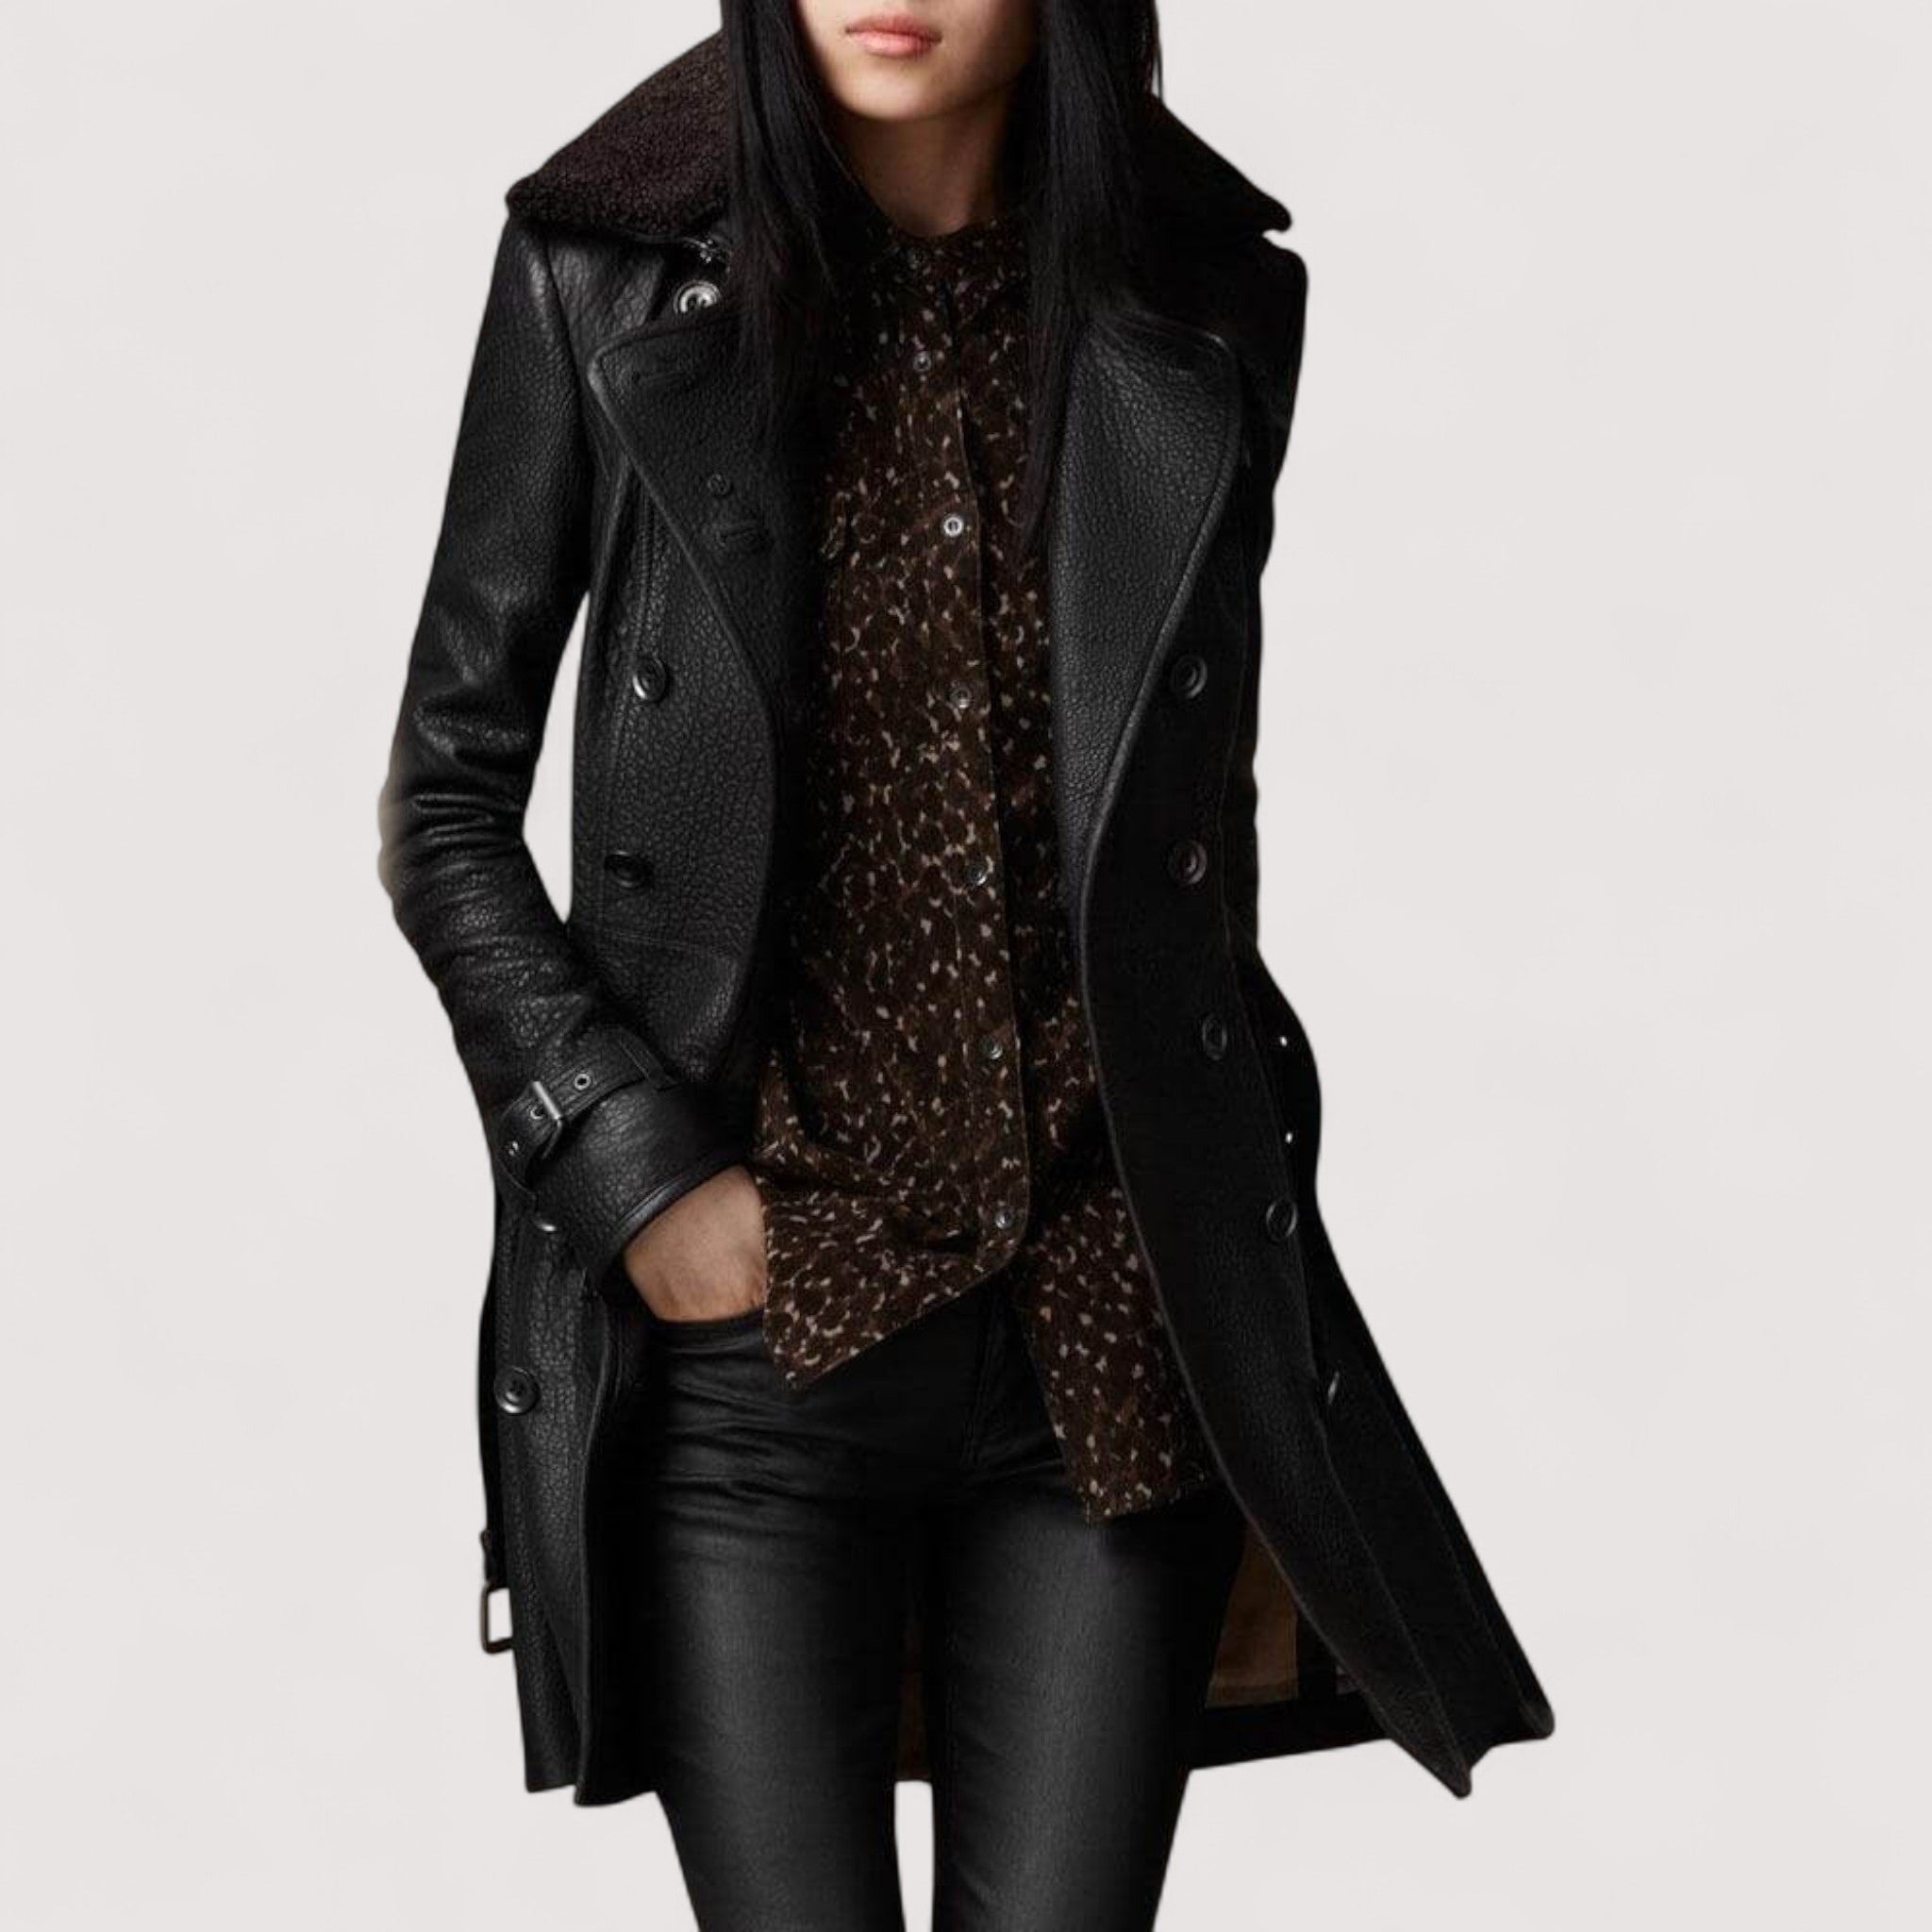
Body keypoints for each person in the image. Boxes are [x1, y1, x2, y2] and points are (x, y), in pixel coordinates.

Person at [378, 5, 1554, 1925]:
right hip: (758, 1356)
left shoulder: (1210, 303)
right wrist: (633, 1174)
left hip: (1106, 1334)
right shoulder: (606, 274)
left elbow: (1186, 831)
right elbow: (445, 798)